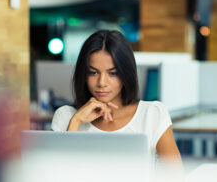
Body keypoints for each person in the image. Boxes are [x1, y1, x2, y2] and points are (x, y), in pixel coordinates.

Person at [51, 30, 183, 174]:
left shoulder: (152, 113)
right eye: (93, 72)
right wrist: (76, 121)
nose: (102, 83)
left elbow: (176, 176)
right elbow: (57, 175)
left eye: (112, 73)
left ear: (125, 73)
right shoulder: (65, 116)